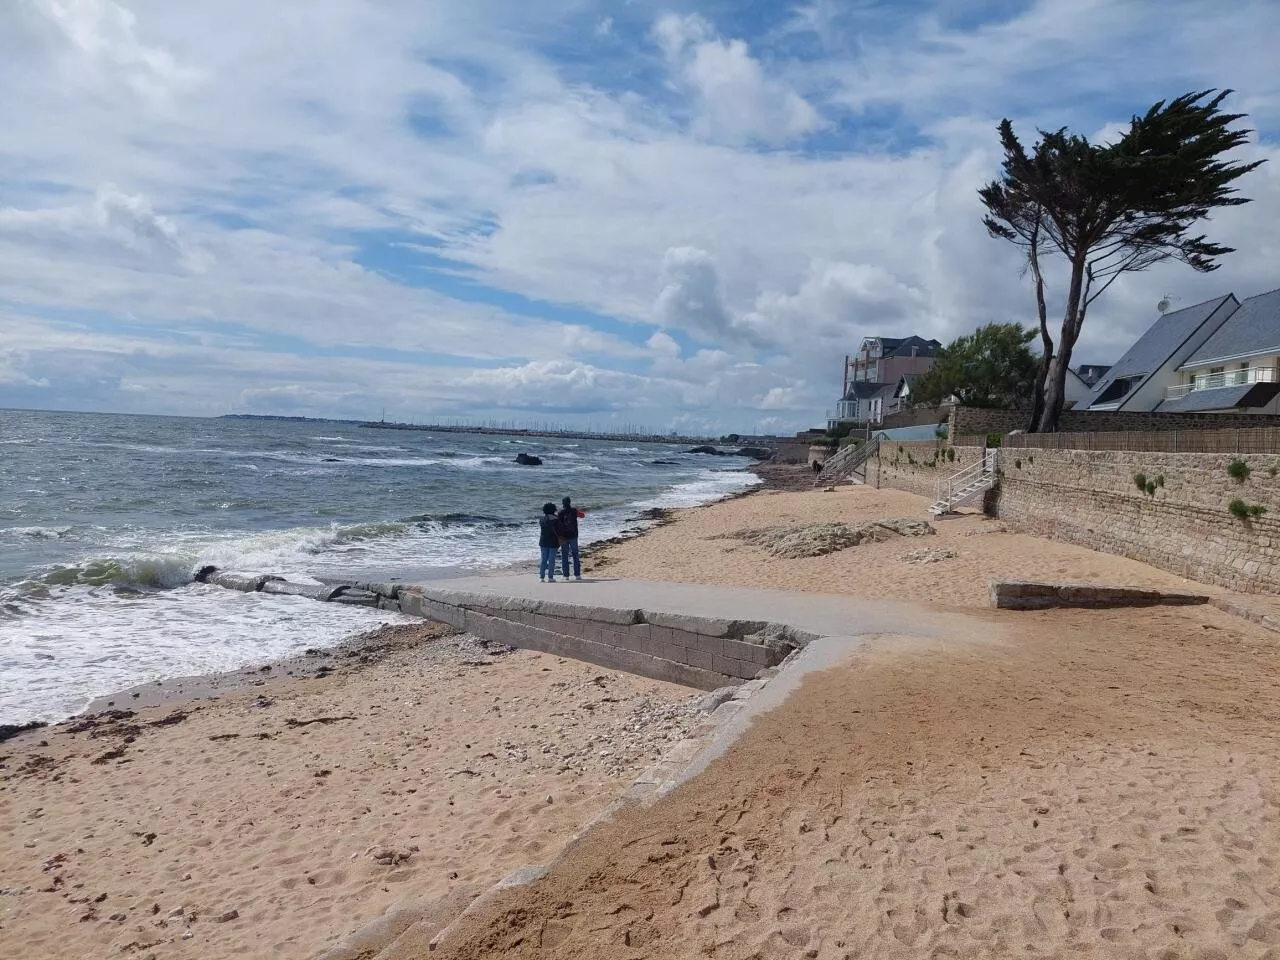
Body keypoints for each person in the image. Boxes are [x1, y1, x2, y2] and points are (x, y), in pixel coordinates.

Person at [556, 495, 585, 581]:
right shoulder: (574, 511)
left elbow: (557, 524)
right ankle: (577, 575)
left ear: (563, 503)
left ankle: (566, 576)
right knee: (575, 555)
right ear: (569, 502)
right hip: (573, 535)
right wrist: (578, 510)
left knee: (564, 555)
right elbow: (583, 515)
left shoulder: (560, 513)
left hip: (564, 537)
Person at [538, 502, 560, 582]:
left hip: (543, 541)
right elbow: (559, 530)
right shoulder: (556, 519)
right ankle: (550, 577)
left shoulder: (542, 519)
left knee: (543, 559)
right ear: (554, 509)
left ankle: (542, 577)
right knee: (551, 560)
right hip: (553, 542)